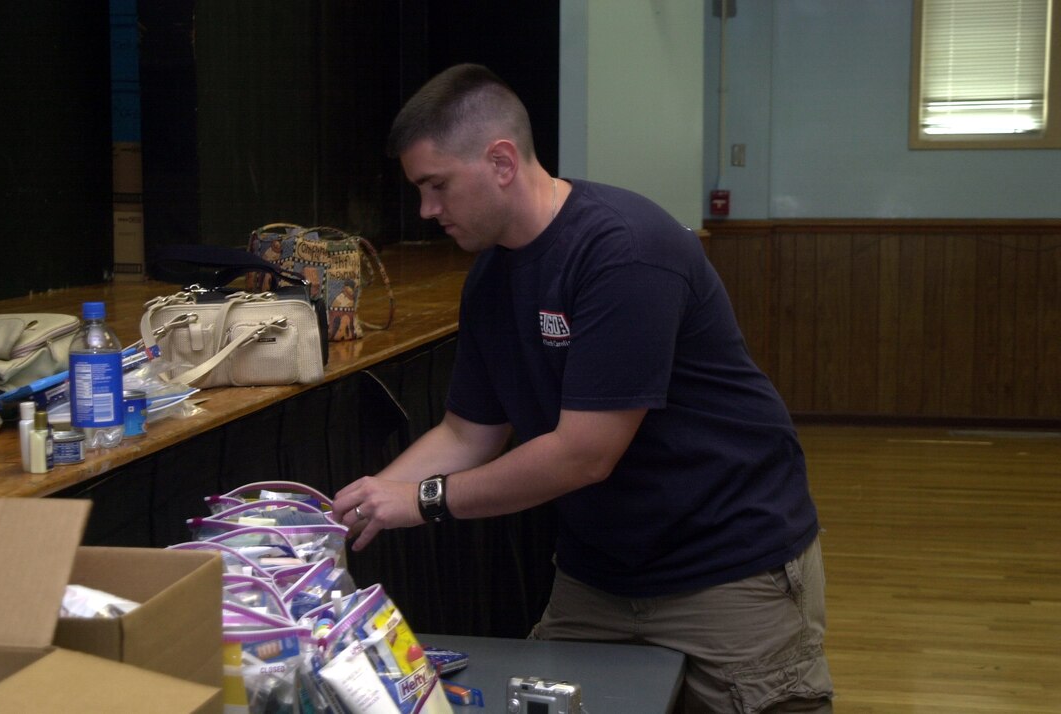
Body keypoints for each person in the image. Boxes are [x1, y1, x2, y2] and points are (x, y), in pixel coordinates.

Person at [332, 63, 834, 713]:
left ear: (502, 162)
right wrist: (356, 508)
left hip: (727, 572)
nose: (428, 210)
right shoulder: (491, 280)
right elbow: (466, 432)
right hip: (597, 581)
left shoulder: (621, 250)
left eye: (437, 186)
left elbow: (584, 453)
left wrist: (424, 500)